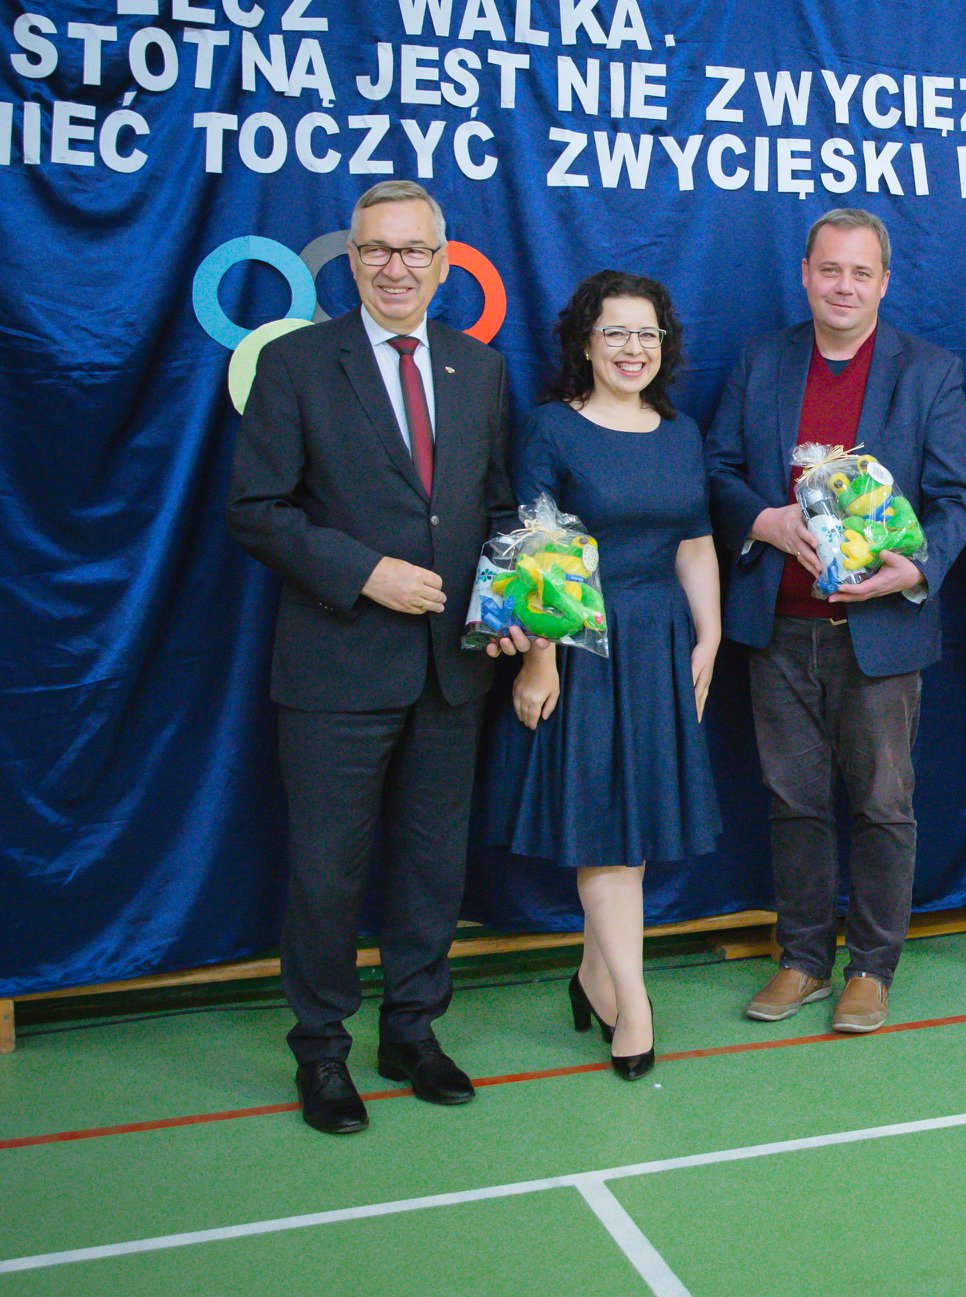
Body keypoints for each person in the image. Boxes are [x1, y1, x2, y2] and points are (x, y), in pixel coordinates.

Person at [228, 180, 533, 1134]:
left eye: (413, 251)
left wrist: (510, 606)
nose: (395, 267)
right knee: (327, 871)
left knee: (433, 864)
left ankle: (412, 1028)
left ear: (444, 265)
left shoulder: (479, 367)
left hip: (453, 667)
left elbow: (494, 506)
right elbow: (256, 510)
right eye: (376, 250)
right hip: (336, 666)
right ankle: (321, 1048)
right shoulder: (295, 363)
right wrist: (366, 573)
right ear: (350, 261)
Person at [706, 209, 966, 1034]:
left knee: (883, 804)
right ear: (805, 274)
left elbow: (958, 497)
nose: (844, 286)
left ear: (884, 282)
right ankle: (802, 959)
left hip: (881, 631)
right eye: (830, 269)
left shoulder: (928, 371)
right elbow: (717, 469)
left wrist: (917, 566)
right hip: (780, 627)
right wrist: (764, 522)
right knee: (793, 801)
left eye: (861, 272)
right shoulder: (761, 360)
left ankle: (871, 966)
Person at [479, 270, 721, 1079]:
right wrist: (539, 659)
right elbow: (536, 552)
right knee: (607, 835)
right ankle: (635, 1005)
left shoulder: (681, 432)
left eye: (647, 333)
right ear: (585, 342)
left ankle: (593, 976)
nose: (632, 347)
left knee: (634, 830)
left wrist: (710, 636)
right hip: (581, 643)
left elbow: (695, 540)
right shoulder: (549, 429)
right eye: (615, 331)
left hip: (661, 643)